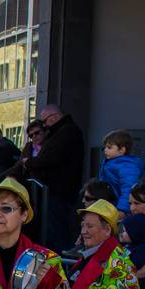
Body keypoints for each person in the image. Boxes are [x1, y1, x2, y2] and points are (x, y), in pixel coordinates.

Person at [20, 105, 85, 252]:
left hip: (59, 191)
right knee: (53, 230)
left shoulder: (66, 132)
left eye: (44, 122)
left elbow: (52, 158)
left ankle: (58, 263)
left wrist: (29, 163)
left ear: (54, 117)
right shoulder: (61, 132)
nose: (44, 125)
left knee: (57, 232)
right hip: (55, 190)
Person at [97, 130, 143, 215]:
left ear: (122, 150)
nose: (105, 150)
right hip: (109, 203)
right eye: (105, 147)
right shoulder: (111, 162)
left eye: (109, 147)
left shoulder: (127, 166)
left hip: (118, 207)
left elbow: (128, 188)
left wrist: (122, 210)